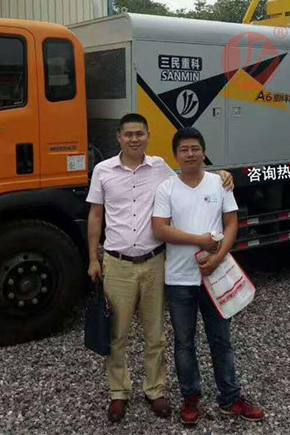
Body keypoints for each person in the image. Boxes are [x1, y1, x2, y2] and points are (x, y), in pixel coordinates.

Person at [86, 113, 232, 423]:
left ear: (148, 136)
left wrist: (222, 175)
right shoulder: (103, 171)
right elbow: (96, 215)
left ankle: (155, 390)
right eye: (128, 134)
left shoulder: (160, 168)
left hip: (154, 262)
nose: (134, 139)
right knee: (117, 334)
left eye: (139, 133)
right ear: (119, 137)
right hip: (118, 263)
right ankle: (119, 392)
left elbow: (190, 175)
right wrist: (93, 258)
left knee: (155, 334)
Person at [152, 127, 266, 425]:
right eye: (184, 149)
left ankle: (230, 398)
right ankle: (191, 398)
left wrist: (216, 258)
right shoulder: (167, 188)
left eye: (195, 148)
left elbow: (231, 224)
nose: (190, 154)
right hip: (179, 280)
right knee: (184, 343)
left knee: (221, 340)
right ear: (175, 155)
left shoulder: (219, 183)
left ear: (204, 152)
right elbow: (160, 229)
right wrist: (199, 241)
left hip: (214, 278)